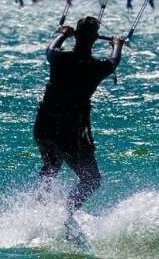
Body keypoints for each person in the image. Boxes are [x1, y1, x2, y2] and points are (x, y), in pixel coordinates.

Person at [34, 16, 124, 213]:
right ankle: (65, 216)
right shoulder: (95, 67)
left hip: (44, 126)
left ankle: (38, 213)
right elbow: (114, 61)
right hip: (68, 131)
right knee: (91, 179)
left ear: (76, 36)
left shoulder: (59, 58)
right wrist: (117, 44)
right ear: (95, 39)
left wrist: (63, 34)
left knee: (51, 167)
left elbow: (49, 50)